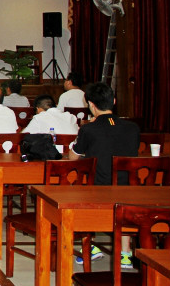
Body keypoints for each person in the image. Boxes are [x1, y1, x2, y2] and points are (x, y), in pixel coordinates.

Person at [69, 82, 140, 269]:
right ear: (114, 101)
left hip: (99, 189)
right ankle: (125, 254)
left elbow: (73, 157)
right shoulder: (133, 128)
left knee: (79, 189)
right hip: (128, 190)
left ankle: (90, 247)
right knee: (122, 194)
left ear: (91, 105)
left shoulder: (88, 129)